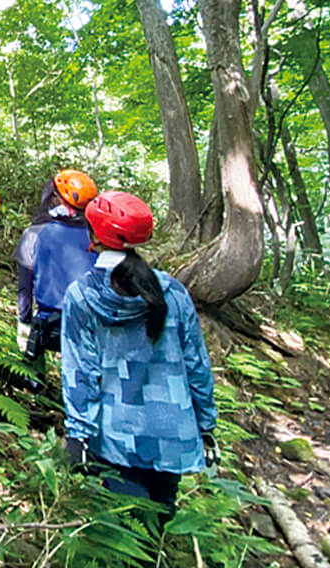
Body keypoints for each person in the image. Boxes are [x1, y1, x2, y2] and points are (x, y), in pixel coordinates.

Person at [60, 191, 218, 521]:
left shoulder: (82, 296)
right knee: (157, 526)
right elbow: (197, 366)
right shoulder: (171, 291)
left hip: (115, 436)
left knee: (125, 532)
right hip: (172, 433)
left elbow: (80, 372)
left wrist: (78, 435)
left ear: (93, 235)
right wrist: (206, 426)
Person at [13, 170, 98, 370]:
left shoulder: (34, 234)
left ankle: (34, 383)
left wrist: (24, 323)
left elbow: (25, 289)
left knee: (32, 339)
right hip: (94, 325)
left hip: (50, 326)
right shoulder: (100, 238)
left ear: (55, 198)